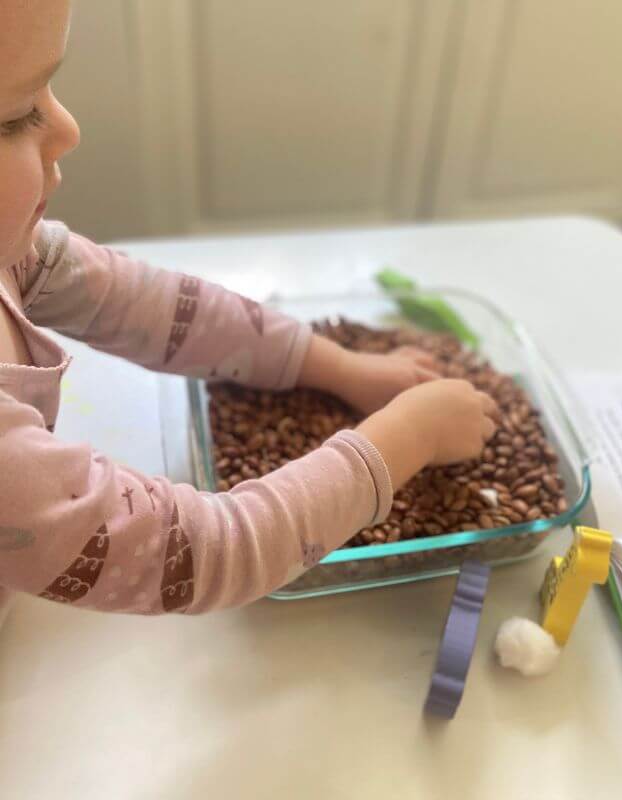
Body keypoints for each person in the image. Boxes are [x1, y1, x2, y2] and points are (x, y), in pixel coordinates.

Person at [0, 0, 499, 618]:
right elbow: (201, 552)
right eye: (16, 115)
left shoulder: (14, 255)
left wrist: (338, 367)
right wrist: (407, 437)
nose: (67, 127)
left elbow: (159, 308)